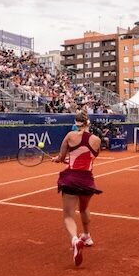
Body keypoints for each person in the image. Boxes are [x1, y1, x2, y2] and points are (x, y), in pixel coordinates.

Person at [53, 111, 102, 266]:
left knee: (68, 215)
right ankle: (87, 236)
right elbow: (90, 157)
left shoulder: (70, 136)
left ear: (76, 123)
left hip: (71, 178)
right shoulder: (97, 140)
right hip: (87, 180)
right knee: (83, 209)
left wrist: (58, 159)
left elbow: (61, 157)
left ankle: (75, 240)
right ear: (88, 123)